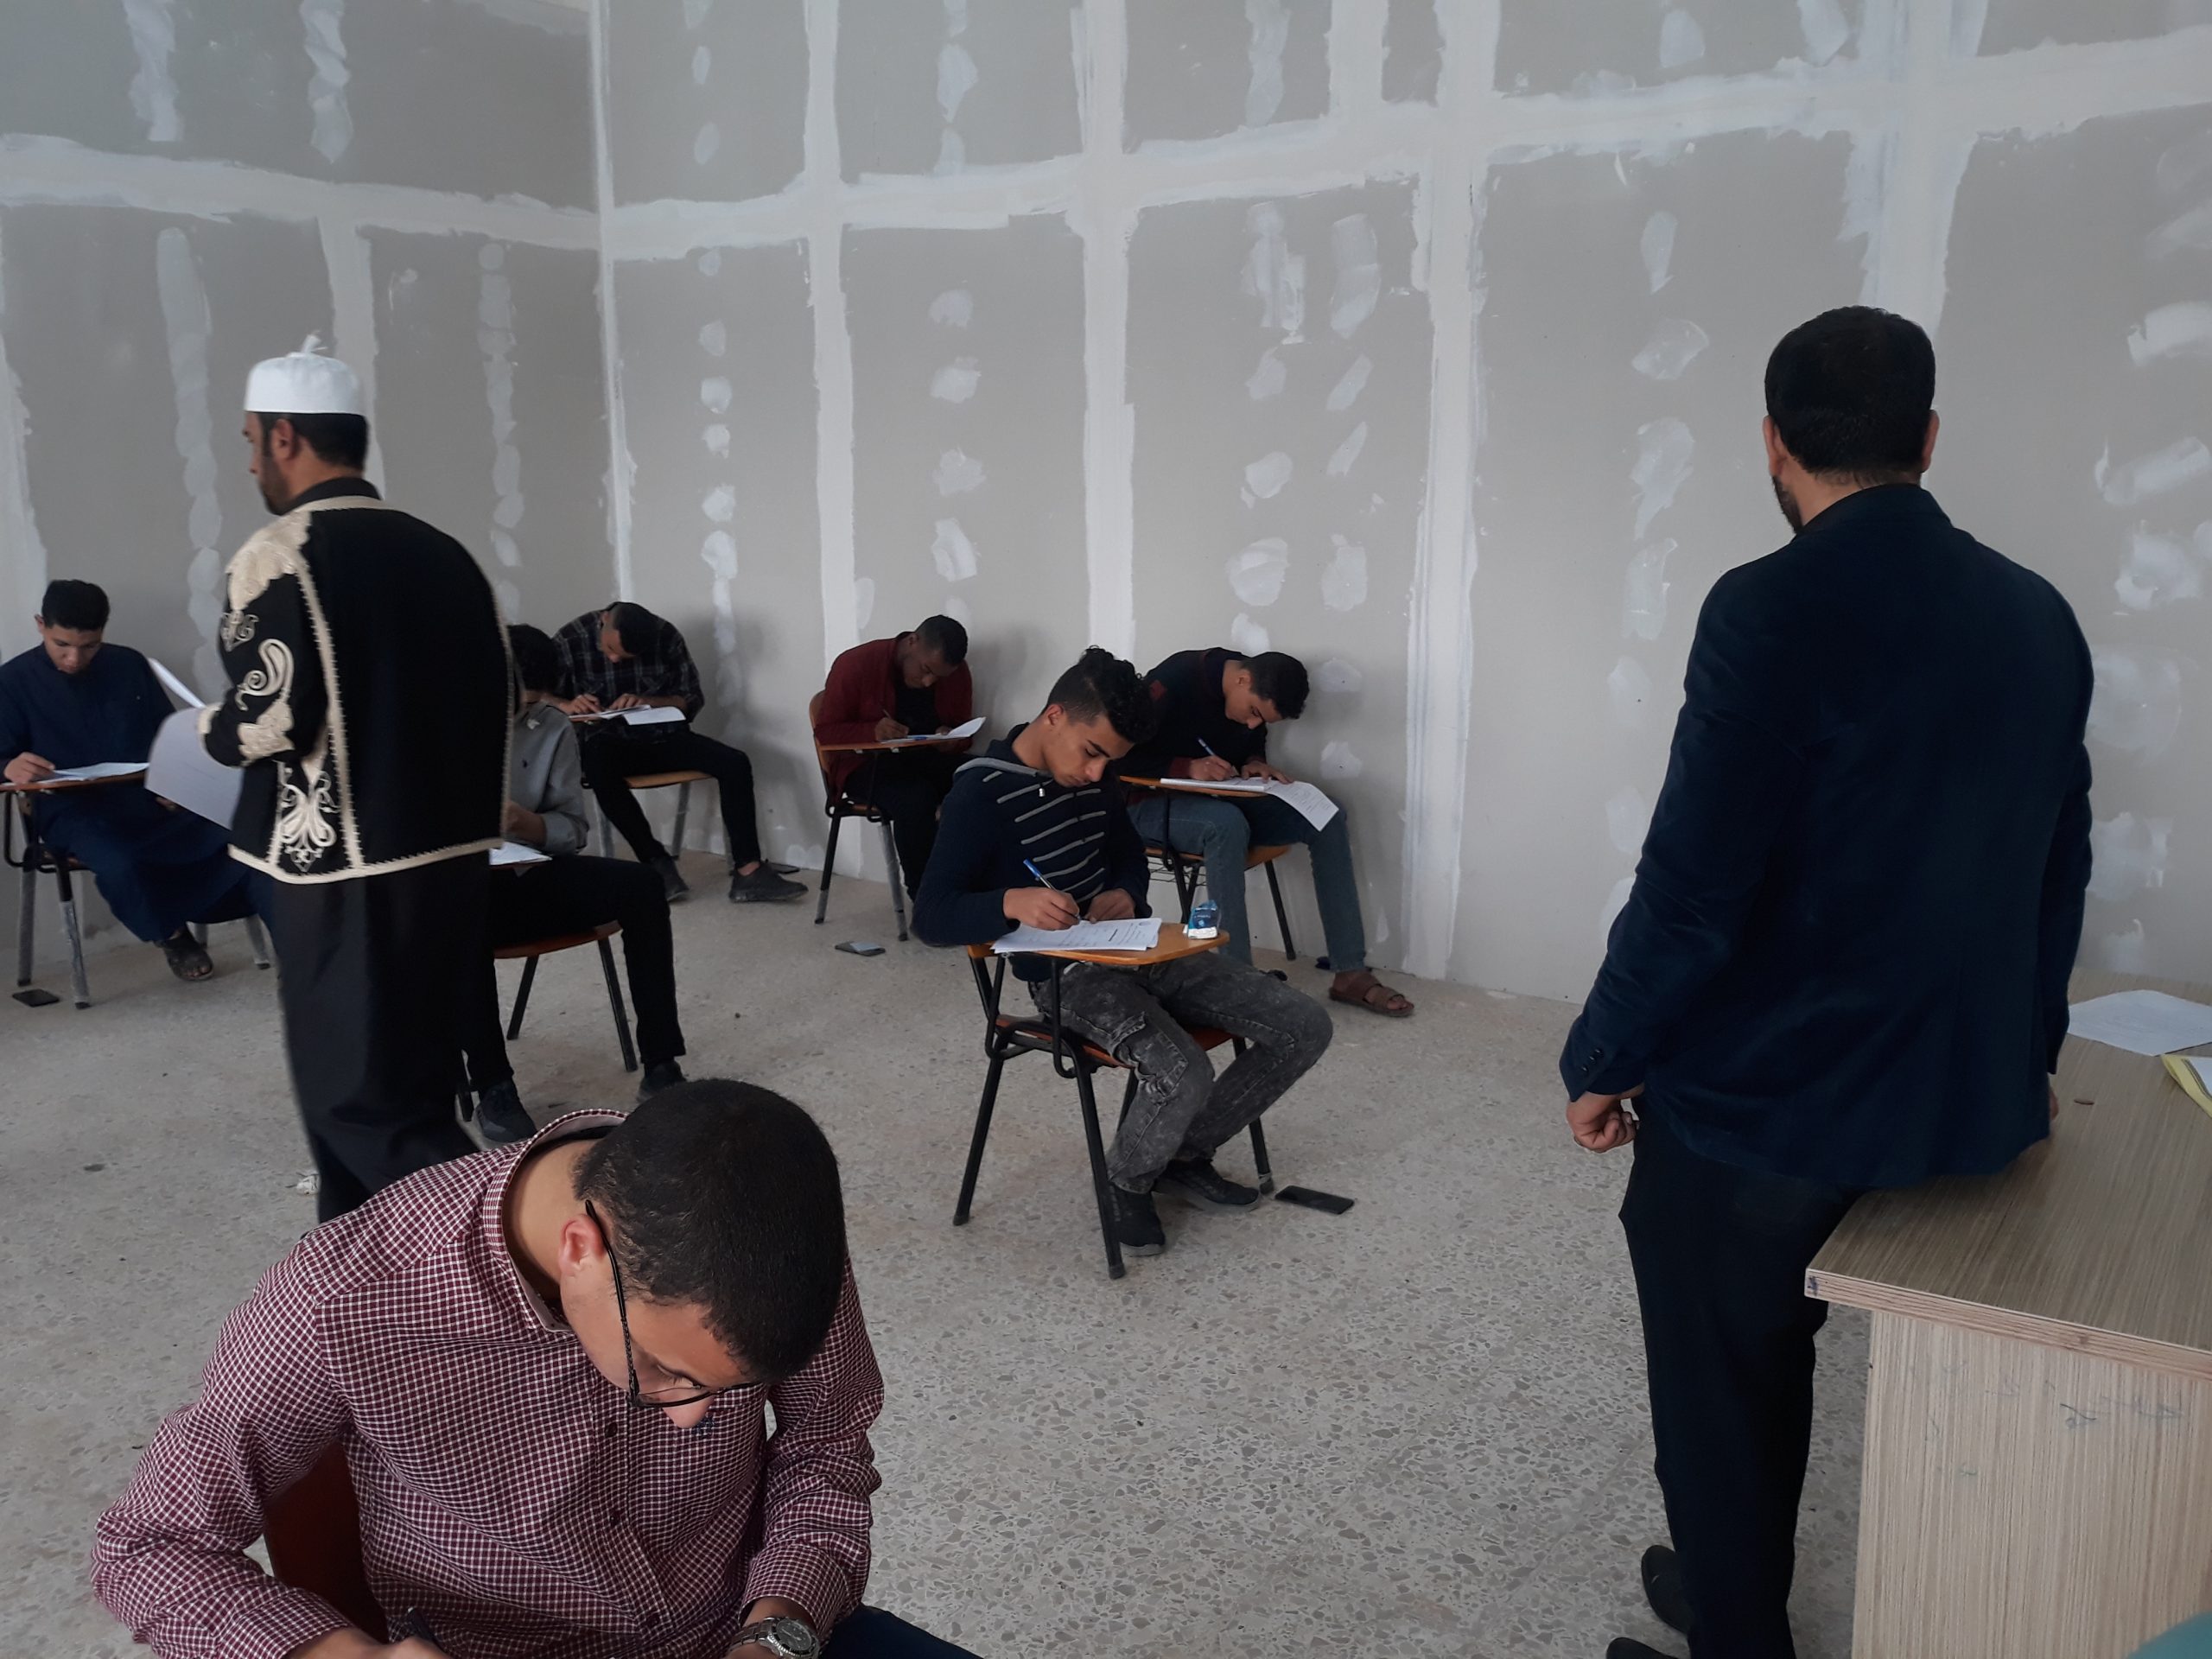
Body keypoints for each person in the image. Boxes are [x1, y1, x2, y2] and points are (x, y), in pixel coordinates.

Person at [1560, 308, 2093, 1659]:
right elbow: (2057, 868)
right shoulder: (2039, 616)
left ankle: (1737, 1627)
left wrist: (1604, 1057)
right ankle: (1726, 1583)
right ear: (1929, 439)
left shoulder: (1766, 608)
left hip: (1778, 1106)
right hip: (1959, 1091)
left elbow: (1695, 887)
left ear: (1772, 445)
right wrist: (2027, 1056)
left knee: (1719, 1355)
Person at [92, 1079, 979, 1659]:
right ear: (580, 1248)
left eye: (727, 1391)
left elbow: (825, 1444)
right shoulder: (342, 1302)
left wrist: (777, 1631)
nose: (692, 1419)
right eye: (666, 1371)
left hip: (742, 1623)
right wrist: (337, 1653)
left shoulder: (761, 1238)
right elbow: (149, 1547)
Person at [200, 340, 511, 1223]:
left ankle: (505, 1257)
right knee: (412, 1076)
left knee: (361, 1103)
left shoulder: (282, 553)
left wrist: (201, 731)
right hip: (450, 860)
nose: (250, 461)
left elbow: (269, 718)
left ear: (285, 436)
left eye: (251, 441)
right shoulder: (447, 553)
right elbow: (504, 692)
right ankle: (361, 1268)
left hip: (341, 871)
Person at [914, 646, 1333, 1258]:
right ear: (1054, 716)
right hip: (1063, 973)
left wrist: (1125, 890)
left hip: (1134, 945)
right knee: (1183, 1068)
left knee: (1304, 1026)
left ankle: (1179, 1154)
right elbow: (931, 915)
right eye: (1092, 753)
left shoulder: (1099, 776)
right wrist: (1010, 900)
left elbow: (1126, 853)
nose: (1096, 774)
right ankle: (1127, 1179)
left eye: (1109, 761)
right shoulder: (980, 793)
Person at [465, 625, 690, 1146]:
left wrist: (527, 823)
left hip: (532, 870)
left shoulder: (551, 726)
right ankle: (494, 1086)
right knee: (458, 919)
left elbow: (573, 829)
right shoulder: (441, 722)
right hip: (463, 890)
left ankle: (662, 1063)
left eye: (532, 703)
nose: (522, 713)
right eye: (513, 700)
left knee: (642, 886)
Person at [1122, 646, 1414, 1018]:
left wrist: (1255, 762)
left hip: (1218, 799)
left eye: (1262, 721)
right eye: (1255, 712)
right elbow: (1116, 754)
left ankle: (1350, 972)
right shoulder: (1174, 678)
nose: (1251, 725)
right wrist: (1186, 767)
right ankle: (1236, 983)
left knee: (1327, 815)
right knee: (1225, 825)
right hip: (1145, 804)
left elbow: (1250, 742)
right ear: (1242, 680)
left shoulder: (1248, 686)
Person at [0, 579, 264, 982]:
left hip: (145, 798)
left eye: (89, 646)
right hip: (68, 811)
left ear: (103, 633)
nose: (74, 658)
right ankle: (171, 934)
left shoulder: (128, 665)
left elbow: (169, 736)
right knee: (117, 860)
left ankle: (279, 927)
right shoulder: (12, 681)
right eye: (61, 645)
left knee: (240, 833)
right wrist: (8, 766)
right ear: (41, 626)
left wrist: (179, 782)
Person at [552, 601, 804, 906]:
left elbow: (691, 698)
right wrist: (566, 705)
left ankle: (749, 872)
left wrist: (648, 702)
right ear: (604, 619)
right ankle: (656, 863)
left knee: (735, 762)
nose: (615, 659)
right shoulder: (570, 639)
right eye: (609, 649)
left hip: (665, 737)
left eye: (626, 656)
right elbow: (535, 695)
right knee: (597, 766)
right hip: (607, 743)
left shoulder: (665, 635)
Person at [813, 615, 975, 900]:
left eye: (939, 677)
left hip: (923, 757)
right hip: (867, 764)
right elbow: (826, 733)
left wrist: (950, 739)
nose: (929, 682)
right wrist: (870, 731)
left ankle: (974, 887)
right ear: (912, 641)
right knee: (916, 798)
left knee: (980, 776)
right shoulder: (856, 663)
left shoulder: (958, 672)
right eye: (926, 670)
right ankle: (926, 900)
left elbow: (963, 731)